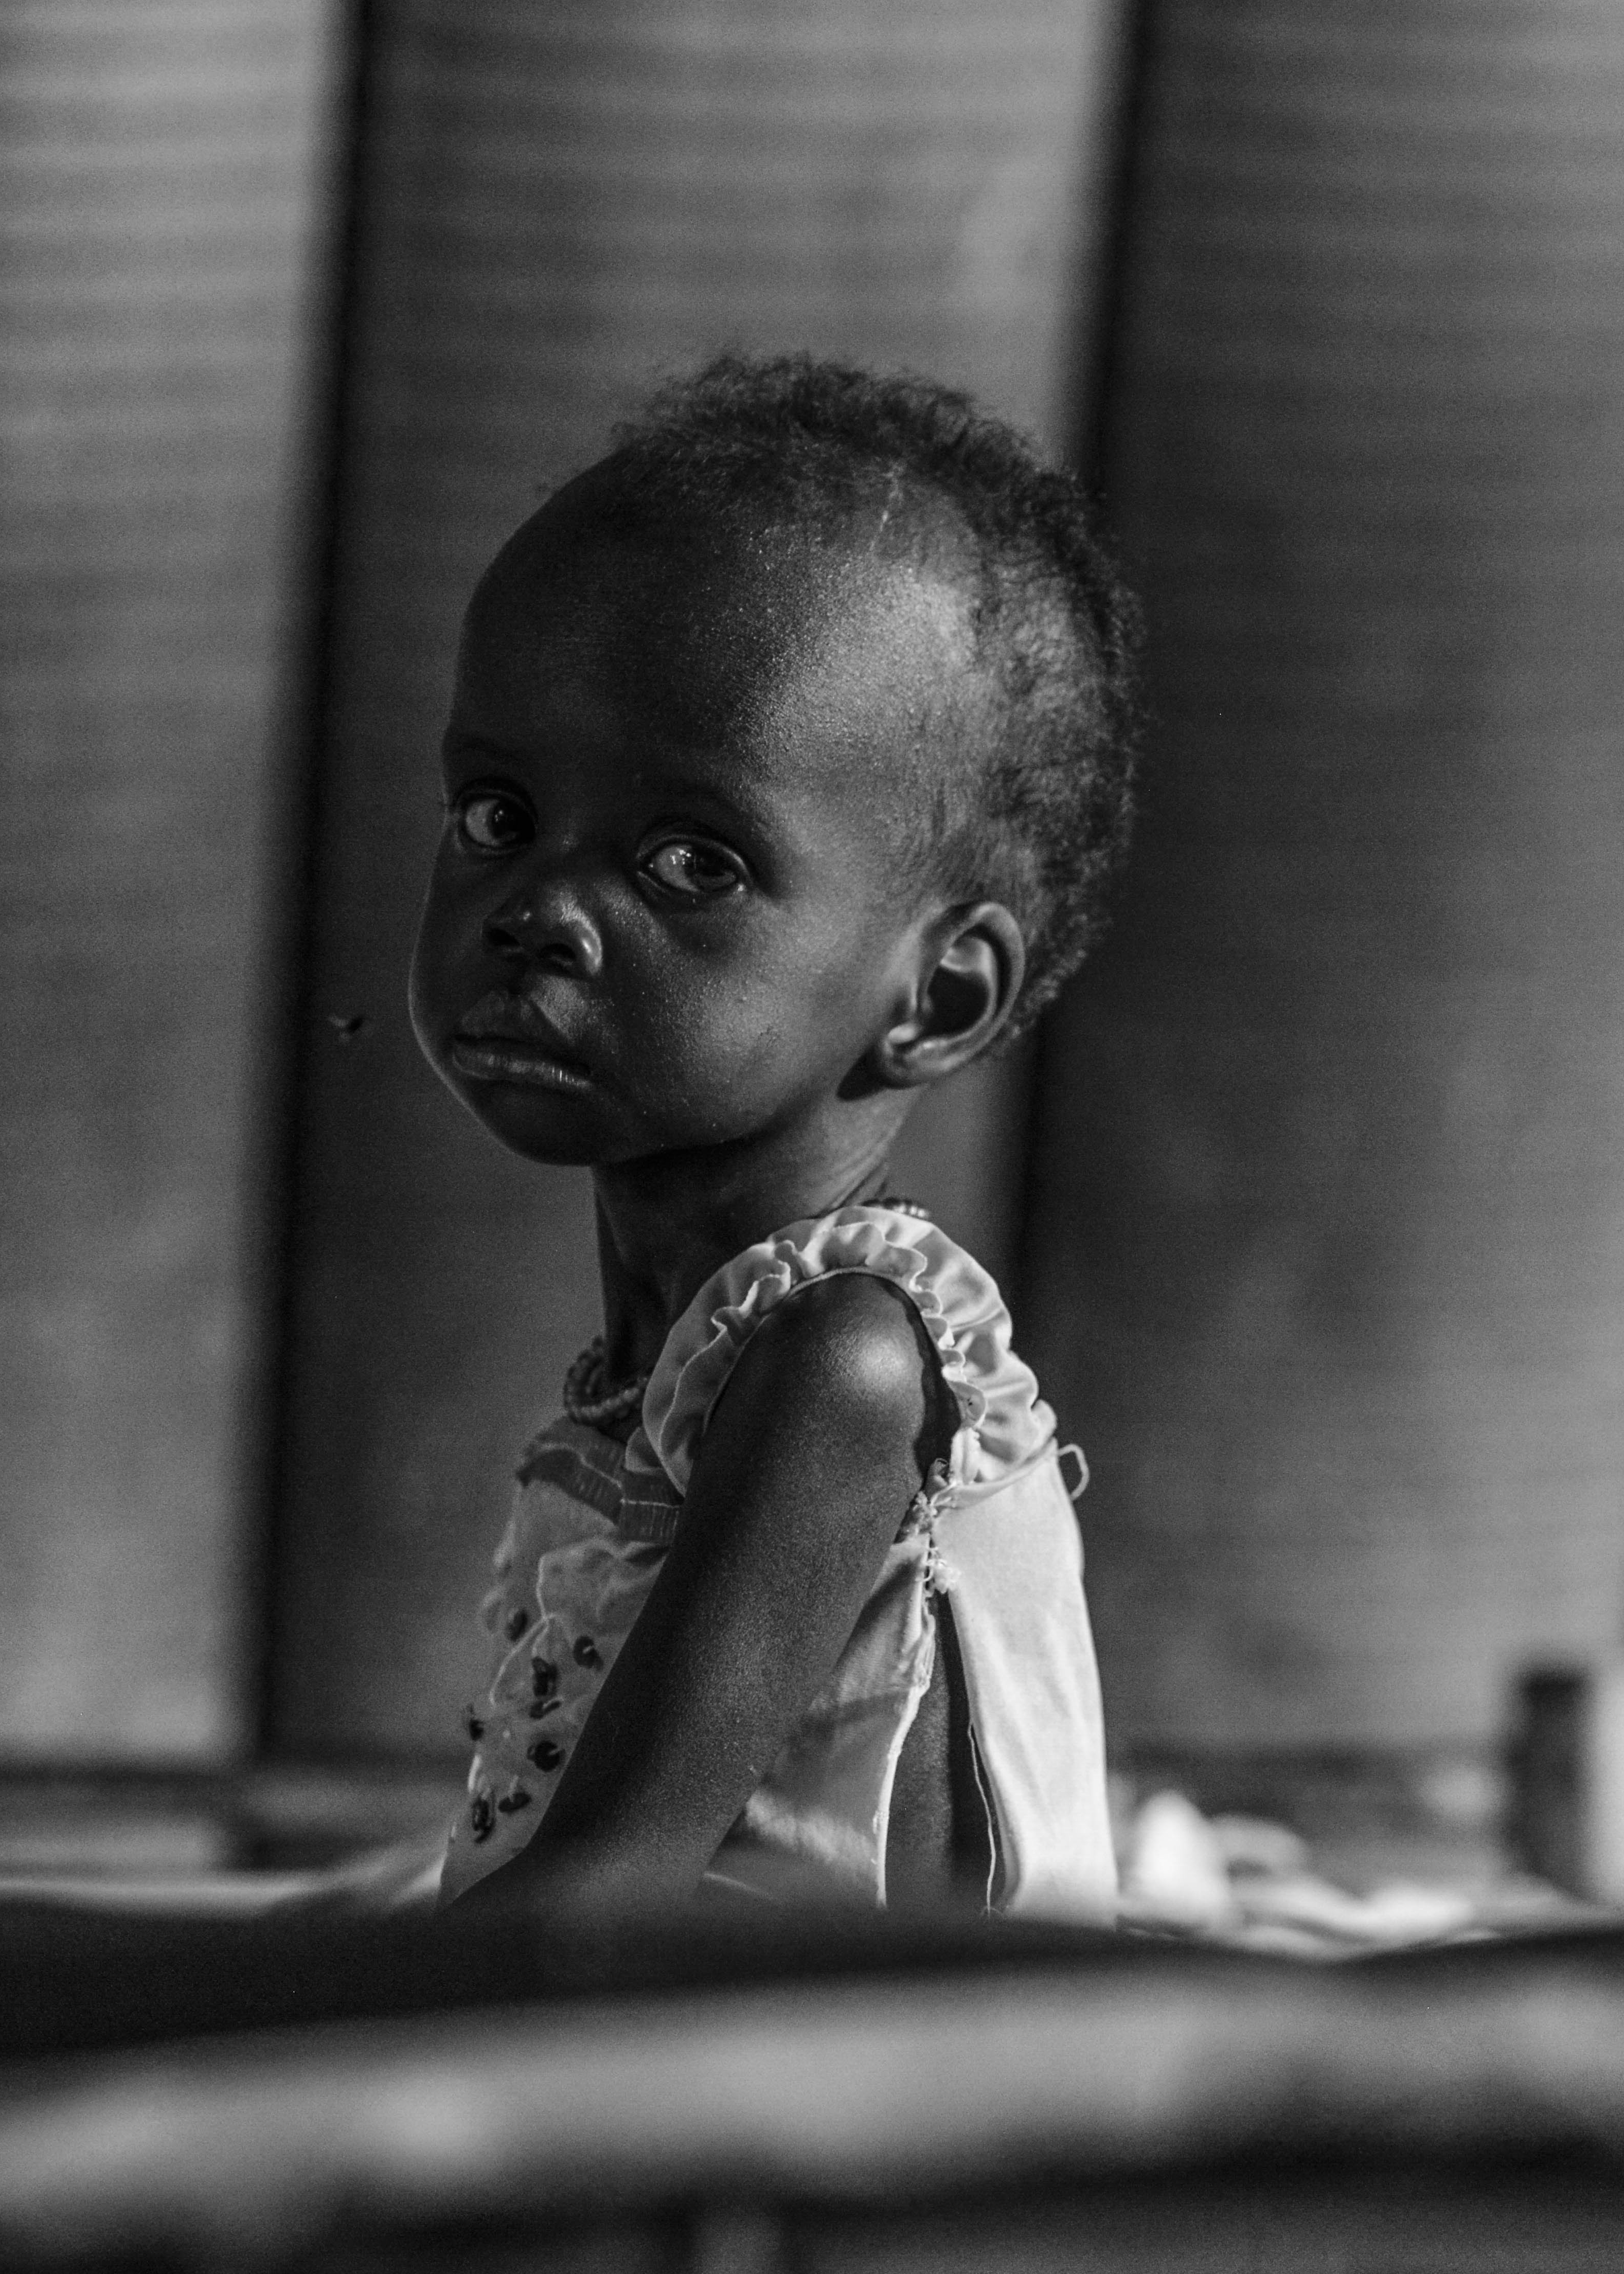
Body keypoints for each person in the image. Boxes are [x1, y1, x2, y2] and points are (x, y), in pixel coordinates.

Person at [417, 353, 1138, 1918]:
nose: (537, 909)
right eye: (494, 816)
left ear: (939, 994)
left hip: (867, 2123)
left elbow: (588, 1904)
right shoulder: (690, 1350)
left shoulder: (842, 1366)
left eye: (691, 861)